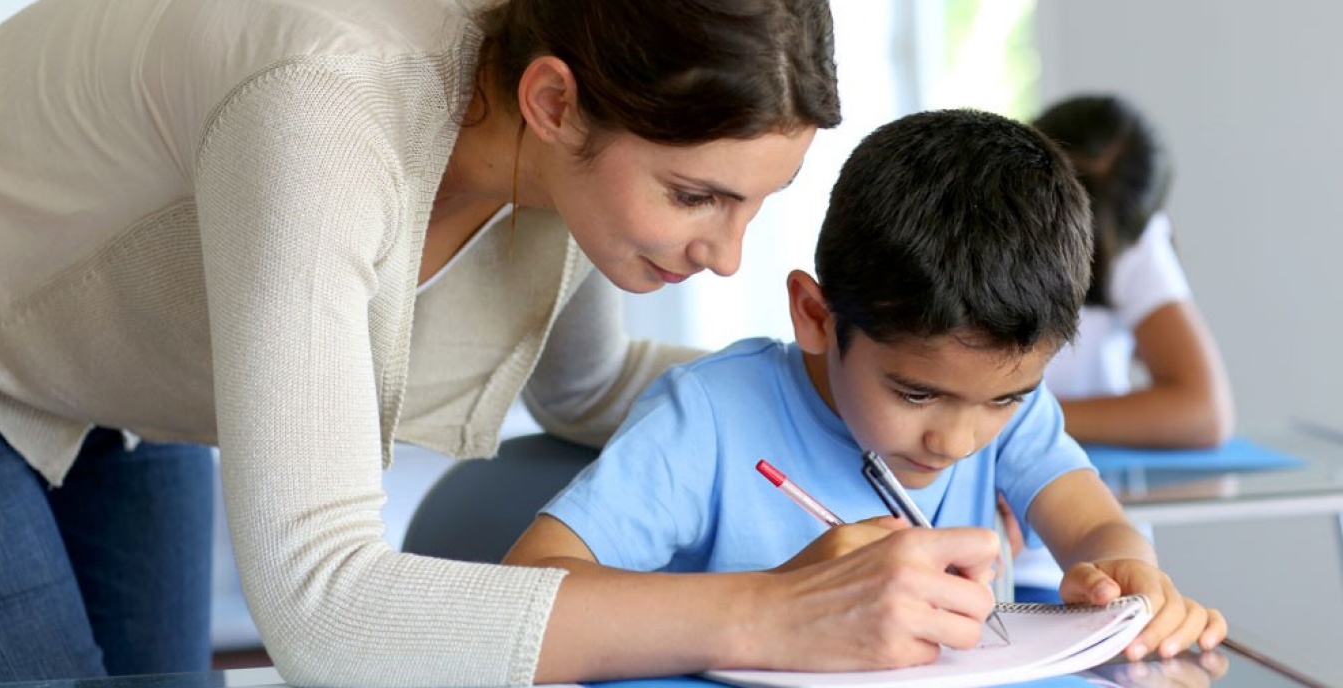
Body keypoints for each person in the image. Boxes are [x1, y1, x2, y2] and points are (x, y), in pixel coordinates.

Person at [0, 0, 1017, 685]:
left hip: (109, 371)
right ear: (555, 102)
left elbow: (592, 387)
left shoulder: (551, 132)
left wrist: (914, 417)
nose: (725, 257)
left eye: (754, 204)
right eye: (697, 197)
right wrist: (770, 615)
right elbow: (320, 606)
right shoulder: (324, 115)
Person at [504, 110, 1228, 666]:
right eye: (916, 394)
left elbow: (1096, 528)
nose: (958, 439)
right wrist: (783, 596)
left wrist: (1129, 575)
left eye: (1004, 398)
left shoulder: (1012, 416)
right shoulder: (709, 417)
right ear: (816, 316)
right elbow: (523, 591)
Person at [1004, 94, 1237, 603]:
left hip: (1073, 550)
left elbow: (1202, 411)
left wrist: (1014, 420)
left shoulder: (1136, 240)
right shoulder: (989, 229)